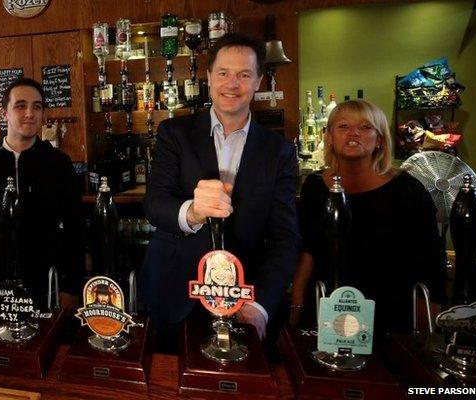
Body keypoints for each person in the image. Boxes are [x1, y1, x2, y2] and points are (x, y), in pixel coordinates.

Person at [140, 33, 300, 340]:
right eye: (224, 73)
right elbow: (155, 204)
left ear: (259, 81)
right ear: (209, 77)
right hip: (174, 292)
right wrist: (194, 212)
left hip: (244, 301)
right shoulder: (174, 133)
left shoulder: (278, 151)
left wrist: (260, 306)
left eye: (244, 75)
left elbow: (284, 238)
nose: (232, 84)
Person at [291, 99, 446, 334]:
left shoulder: (407, 190)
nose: (354, 133)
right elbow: (308, 251)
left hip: (390, 312)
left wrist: (427, 320)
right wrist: (297, 304)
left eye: (365, 127)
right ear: (329, 137)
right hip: (327, 307)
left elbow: (431, 260)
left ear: (380, 140)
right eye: (343, 126)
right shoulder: (315, 187)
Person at [0, 78, 84, 310]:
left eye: (37, 106)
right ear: (5, 113)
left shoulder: (58, 163)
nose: (30, 113)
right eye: (20, 105)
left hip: (45, 283)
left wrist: (72, 287)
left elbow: (76, 229)